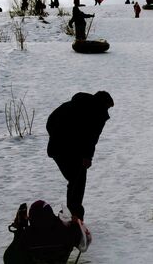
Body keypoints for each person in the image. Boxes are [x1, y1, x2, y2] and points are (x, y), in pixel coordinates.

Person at [46, 91, 114, 220]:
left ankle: (71, 213)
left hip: (59, 148)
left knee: (75, 179)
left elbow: (50, 122)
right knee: (77, 178)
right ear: (103, 103)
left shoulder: (73, 104)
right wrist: (87, 157)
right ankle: (74, 214)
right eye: (108, 107)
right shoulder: (97, 114)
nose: (108, 111)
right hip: (65, 150)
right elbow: (92, 138)